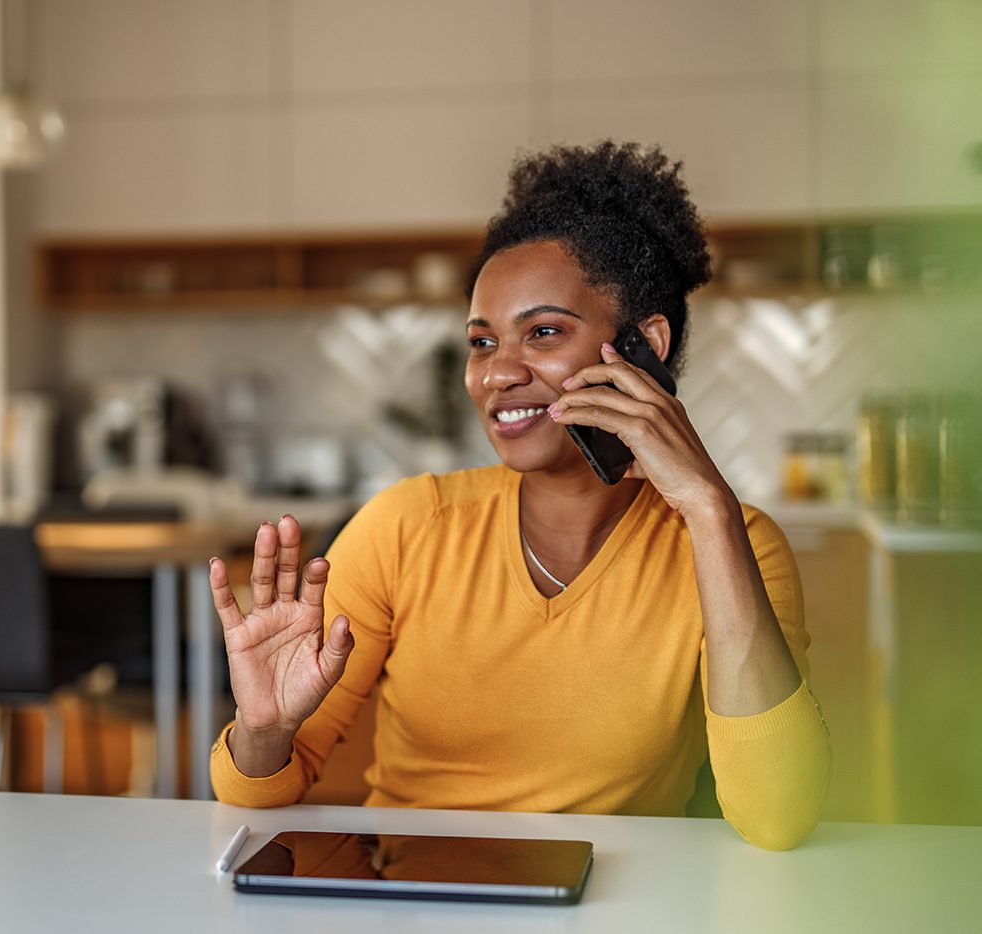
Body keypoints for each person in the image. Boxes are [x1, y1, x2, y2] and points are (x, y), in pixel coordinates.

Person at [207, 141, 831, 851]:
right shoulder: (408, 528)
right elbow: (258, 790)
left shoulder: (733, 543)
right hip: (416, 904)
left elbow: (779, 818)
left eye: (542, 333)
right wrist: (263, 731)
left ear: (644, 347)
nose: (497, 373)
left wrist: (709, 511)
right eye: (481, 342)